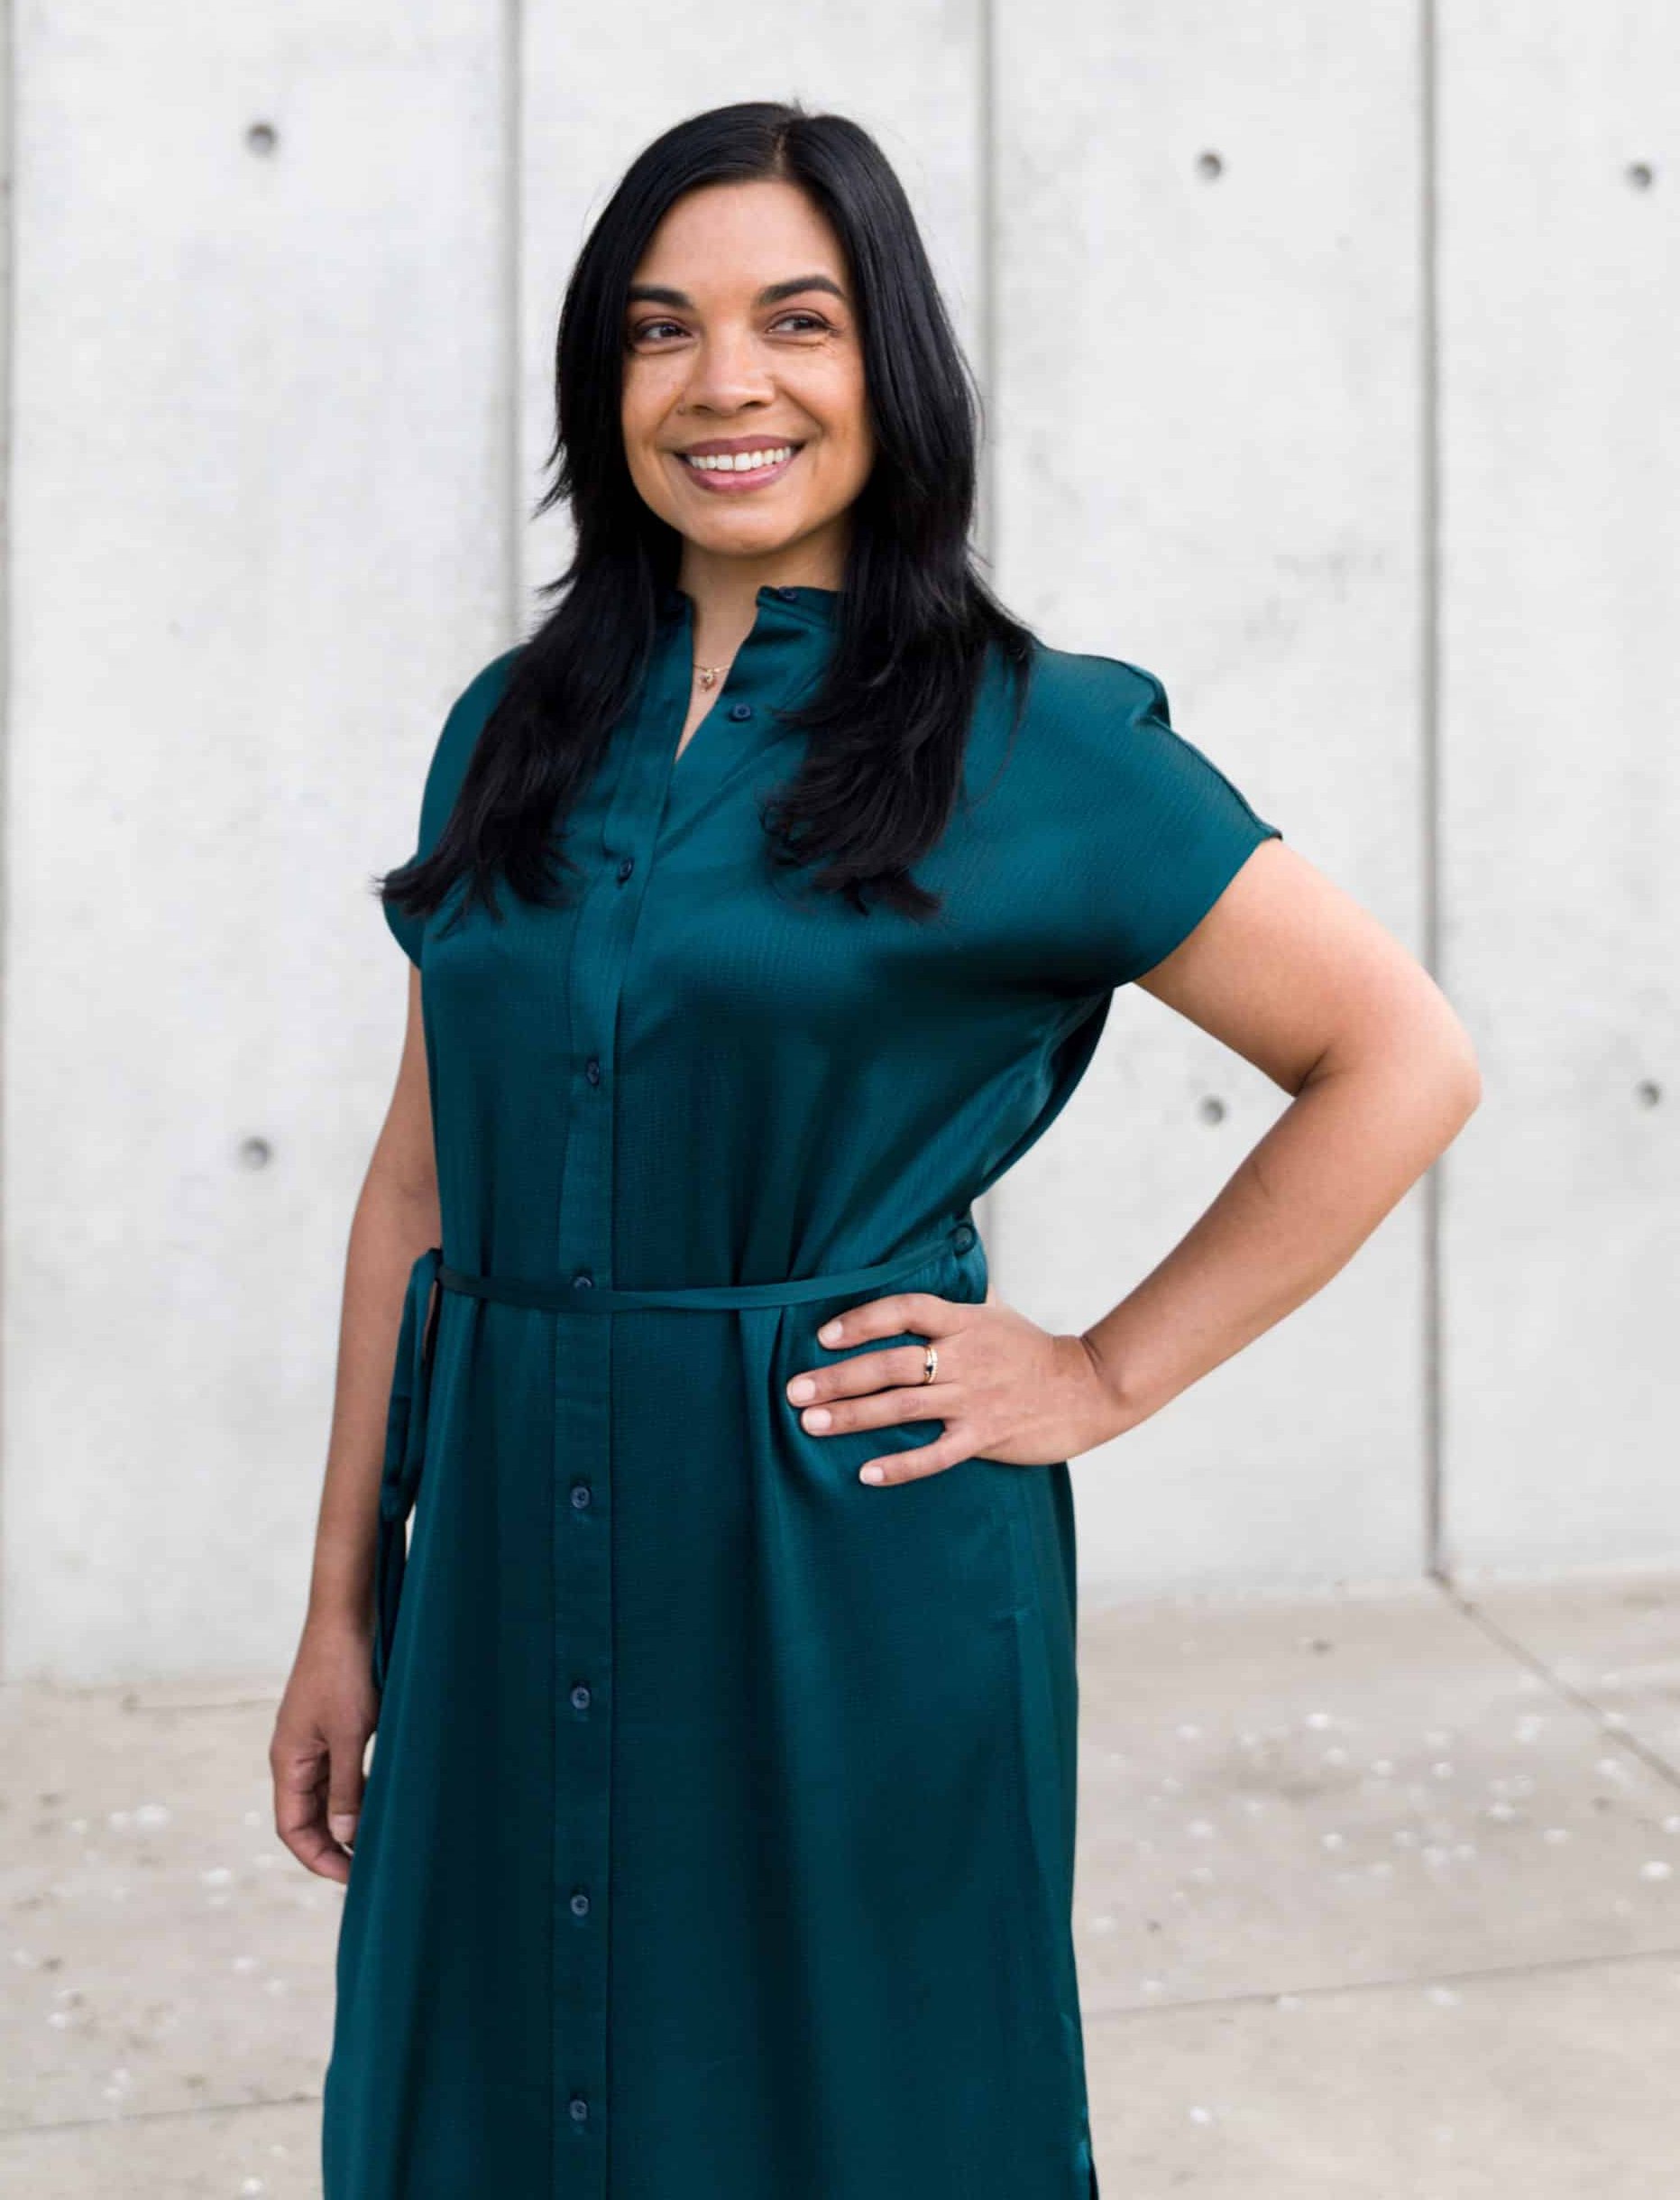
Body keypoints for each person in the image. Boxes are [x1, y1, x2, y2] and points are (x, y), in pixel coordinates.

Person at [271, 98, 1481, 2200]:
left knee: (862, 2110)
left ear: (884, 368)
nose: (723, 381)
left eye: (791, 322)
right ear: (603, 381)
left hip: (835, 1560)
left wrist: (1100, 1372)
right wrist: (339, 1602)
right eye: (660, 330)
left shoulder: (1035, 738)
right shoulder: (512, 724)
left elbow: (1395, 1054)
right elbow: (417, 1183)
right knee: (486, 2099)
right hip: (495, 1542)